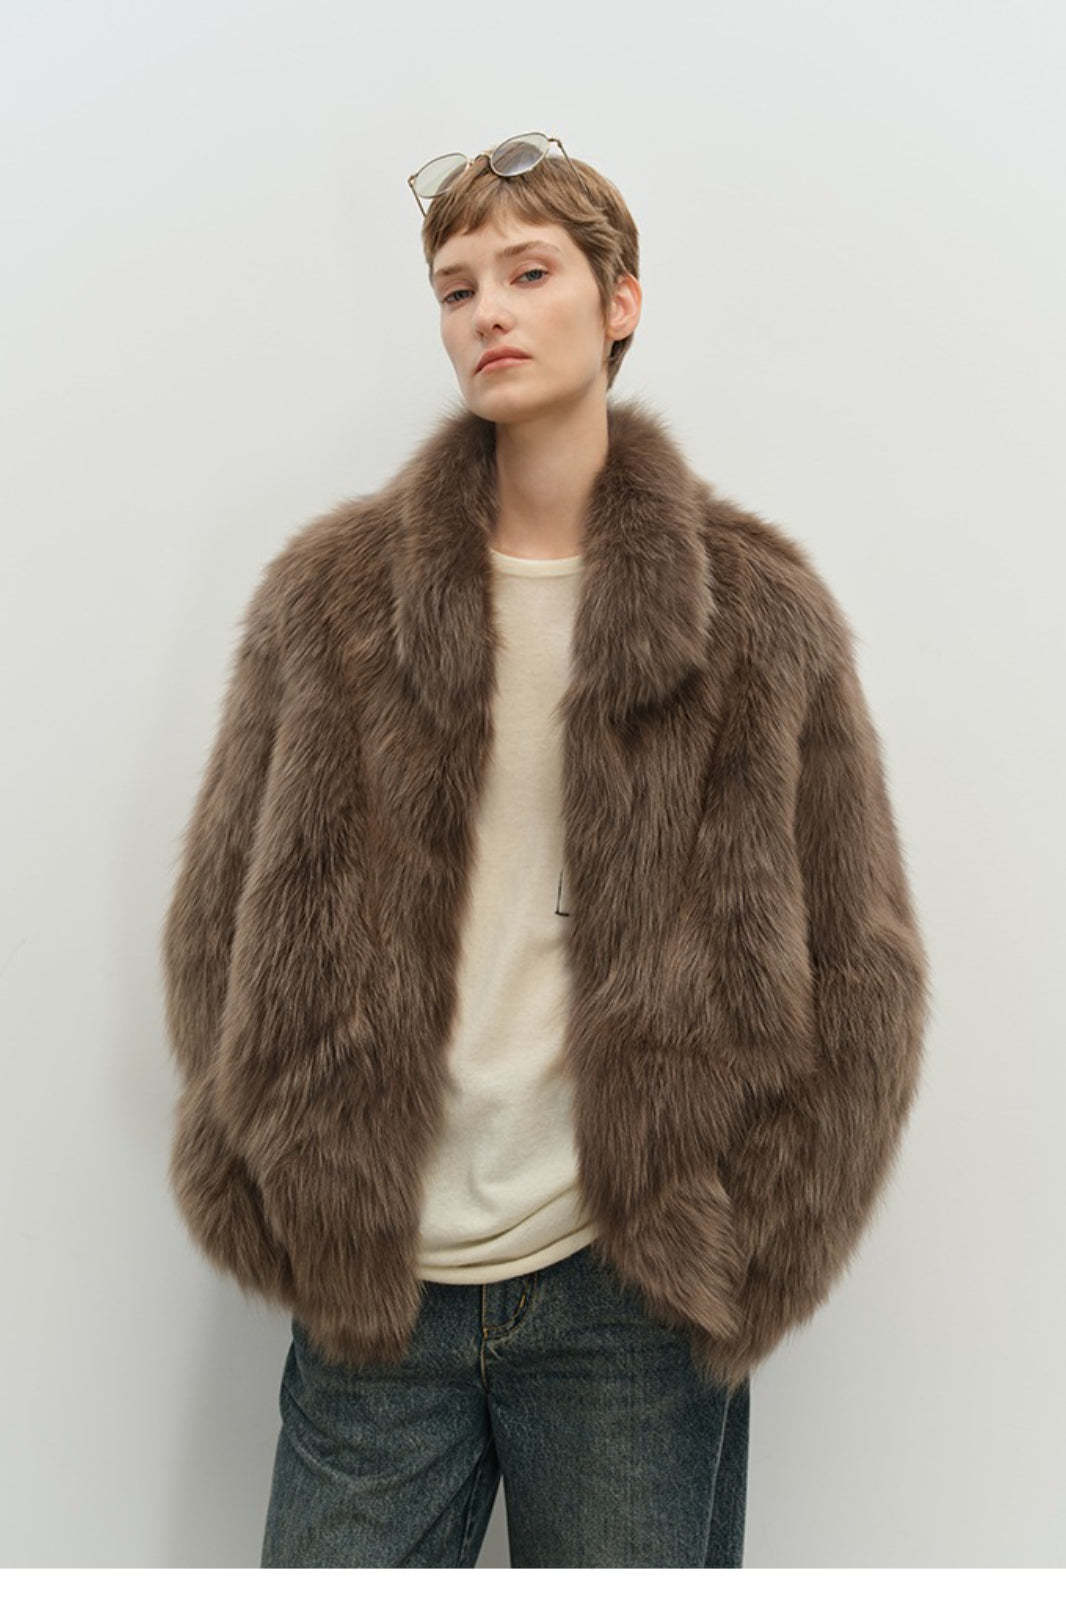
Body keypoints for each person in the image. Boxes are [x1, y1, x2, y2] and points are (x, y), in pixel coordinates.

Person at [160, 134, 930, 1568]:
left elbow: (861, 961)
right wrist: (291, 1184)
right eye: (457, 289)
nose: (488, 315)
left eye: (528, 274)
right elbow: (217, 929)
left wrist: (735, 1253)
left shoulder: (754, 614)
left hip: (624, 1295)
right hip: (378, 1287)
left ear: (619, 302)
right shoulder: (332, 602)